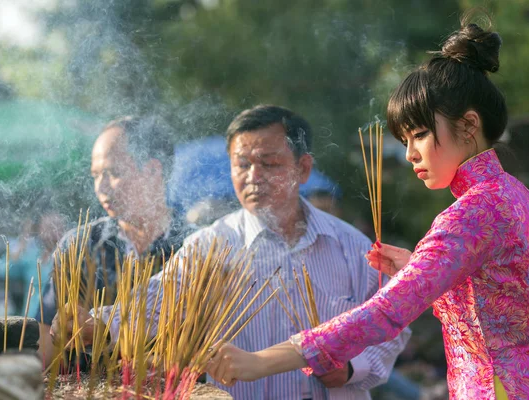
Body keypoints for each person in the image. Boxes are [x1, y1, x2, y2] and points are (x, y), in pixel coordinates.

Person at [204, 20, 529, 400]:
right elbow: (493, 307)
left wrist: (262, 361)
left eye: (421, 135)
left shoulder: (473, 211)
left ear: (469, 125)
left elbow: (386, 312)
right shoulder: (517, 195)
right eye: (405, 139)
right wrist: (420, 268)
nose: (410, 154)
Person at [54, 105, 411, 399]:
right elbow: (158, 300)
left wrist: (352, 368)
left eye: (269, 163)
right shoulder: (211, 246)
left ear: (302, 169)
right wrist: (99, 322)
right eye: (242, 164)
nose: (253, 176)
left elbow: (392, 326)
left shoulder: (353, 248)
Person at [38, 116, 194, 366]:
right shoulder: (78, 247)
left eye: (113, 172)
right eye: (96, 175)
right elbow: (45, 338)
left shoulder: (195, 246)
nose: (101, 187)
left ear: (153, 170)